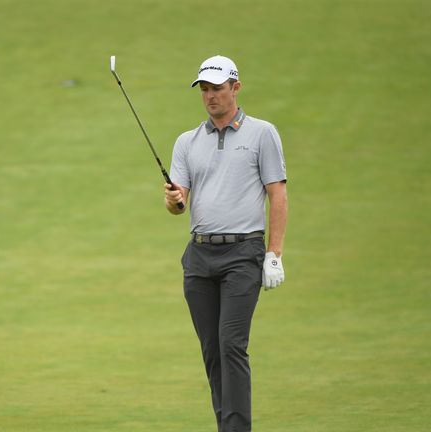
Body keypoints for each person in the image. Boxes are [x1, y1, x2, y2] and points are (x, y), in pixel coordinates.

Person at [164, 55, 288, 432]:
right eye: (204, 89)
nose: (210, 96)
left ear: (236, 88)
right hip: (199, 255)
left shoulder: (262, 133)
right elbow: (179, 203)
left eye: (217, 88)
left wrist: (274, 254)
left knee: (231, 344)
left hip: (242, 254)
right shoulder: (187, 142)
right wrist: (174, 201)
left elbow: (277, 194)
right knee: (212, 351)